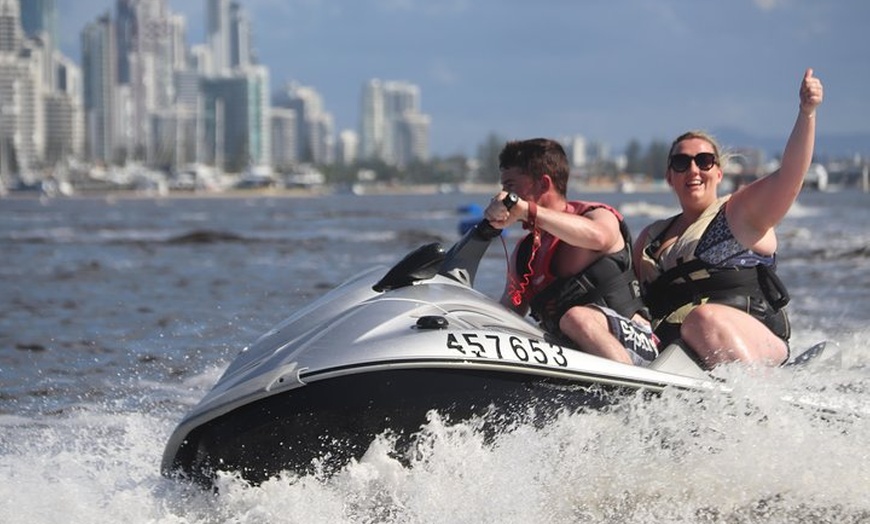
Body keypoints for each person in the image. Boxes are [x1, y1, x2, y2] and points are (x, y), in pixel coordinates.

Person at [632, 68, 824, 369]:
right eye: (681, 163)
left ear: (718, 173)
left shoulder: (740, 212)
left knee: (702, 319)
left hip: (753, 340)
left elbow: (790, 176)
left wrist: (807, 113)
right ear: (670, 176)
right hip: (679, 353)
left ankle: (757, 402)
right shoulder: (651, 238)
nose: (693, 170)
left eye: (704, 161)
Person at [483, 138, 658, 366]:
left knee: (576, 318)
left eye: (510, 187)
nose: (504, 195)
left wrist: (526, 210)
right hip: (573, 353)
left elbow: (599, 237)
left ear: (543, 184)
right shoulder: (525, 252)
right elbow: (509, 311)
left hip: (638, 341)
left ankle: (633, 397)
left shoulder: (597, 216)